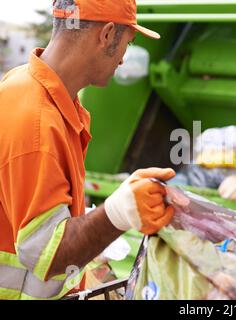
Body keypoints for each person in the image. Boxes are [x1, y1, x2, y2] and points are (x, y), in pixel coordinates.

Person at [0, 0, 174, 299]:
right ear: (107, 34)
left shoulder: (26, 86)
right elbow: (45, 254)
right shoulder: (39, 122)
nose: (122, 60)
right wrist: (119, 212)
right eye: (128, 43)